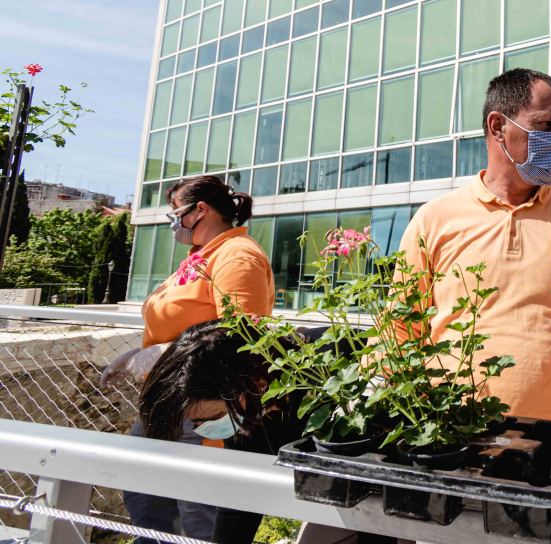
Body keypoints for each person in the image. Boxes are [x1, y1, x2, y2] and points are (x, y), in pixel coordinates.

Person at [397, 68, 551, 482]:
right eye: (547, 125)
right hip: (450, 441)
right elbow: (400, 329)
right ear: (498, 127)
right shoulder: (435, 220)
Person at [100, 175, 274, 544]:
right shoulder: (201, 257)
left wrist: (163, 353)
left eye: (175, 212)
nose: (171, 221)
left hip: (203, 406)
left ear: (200, 210)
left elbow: (243, 335)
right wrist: (143, 350)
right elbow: (185, 322)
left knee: (200, 510)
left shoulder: (237, 256)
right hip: (167, 401)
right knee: (146, 497)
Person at [139, 321, 396, 544]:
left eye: (212, 418)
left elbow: (378, 481)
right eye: (196, 423)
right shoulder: (244, 399)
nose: (204, 430)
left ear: (255, 381)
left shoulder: (331, 376)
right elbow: (241, 495)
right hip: (346, 493)